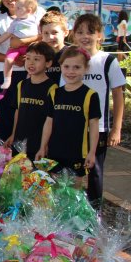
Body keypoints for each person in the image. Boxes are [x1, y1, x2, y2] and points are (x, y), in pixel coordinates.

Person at [65, 14, 125, 205]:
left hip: (98, 129)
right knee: (70, 171)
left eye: (90, 32)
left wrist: (116, 128)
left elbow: (118, 95)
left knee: (95, 172)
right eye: (80, 32)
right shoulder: (69, 61)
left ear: (100, 35)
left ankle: (94, 211)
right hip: (72, 127)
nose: (85, 36)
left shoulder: (107, 61)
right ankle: (70, 209)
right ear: (73, 35)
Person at [0, 0, 41, 141]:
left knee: (29, 120)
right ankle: (2, 155)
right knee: (4, 123)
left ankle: (26, 155)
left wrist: (22, 42)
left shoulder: (38, 15)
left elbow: (45, 37)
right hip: (5, 76)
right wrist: (12, 60)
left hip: (31, 76)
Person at [36, 47, 100, 180]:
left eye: (77, 67)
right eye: (66, 67)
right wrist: (42, 147)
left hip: (77, 153)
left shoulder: (90, 95)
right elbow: (49, 122)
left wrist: (92, 152)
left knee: (74, 189)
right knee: (54, 187)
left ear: (86, 68)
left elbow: (94, 126)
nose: (71, 71)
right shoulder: (54, 93)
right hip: (55, 152)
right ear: (60, 67)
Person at [7, 41, 57, 158]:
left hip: (38, 145)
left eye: (36, 59)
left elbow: (51, 119)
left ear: (48, 63)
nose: (31, 62)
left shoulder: (52, 88)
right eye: (28, 58)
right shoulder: (21, 85)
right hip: (19, 143)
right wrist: (13, 134)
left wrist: (44, 145)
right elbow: (18, 111)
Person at [0, 0, 41, 90]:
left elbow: (41, 35)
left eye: (18, 8)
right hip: (15, 48)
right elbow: (7, 34)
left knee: (31, 62)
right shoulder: (15, 22)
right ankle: (7, 79)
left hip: (30, 47)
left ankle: (30, 76)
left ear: (29, 10)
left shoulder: (35, 20)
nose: (15, 10)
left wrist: (27, 42)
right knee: (8, 60)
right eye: (16, 8)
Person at [39, 10, 69, 85]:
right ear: (41, 34)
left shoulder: (72, 54)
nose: (50, 37)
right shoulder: (39, 56)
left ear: (65, 33)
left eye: (54, 32)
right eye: (46, 33)